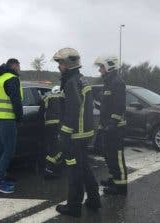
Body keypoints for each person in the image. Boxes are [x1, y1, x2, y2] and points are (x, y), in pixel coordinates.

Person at [52, 48, 101, 217]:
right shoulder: (81, 79)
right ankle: (94, 199)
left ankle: (73, 207)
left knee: (73, 171)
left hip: (75, 135)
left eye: (61, 63)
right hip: (84, 133)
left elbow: (72, 109)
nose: (59, 67)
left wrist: (64, 134)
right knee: (84, 167)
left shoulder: (71, 81)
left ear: (69, 63)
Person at [94, 56, 128, 195]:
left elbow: (119, 106)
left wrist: (113, 122)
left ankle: (121, 187)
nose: (99, 69)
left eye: (101, 67)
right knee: (108, 155)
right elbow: (107, 105)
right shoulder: (108, 82)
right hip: (107, 125)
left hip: (116, 127)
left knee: (117, 156)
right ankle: (114, 179)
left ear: (109, 67)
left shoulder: (117, 82)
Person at [0, 59, 23, 194]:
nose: (20, 68)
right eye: (19, 66)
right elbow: (16, 100)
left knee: (0, 150)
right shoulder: (12, 78)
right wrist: (19, 118)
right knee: (9, 151)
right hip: (7, 119)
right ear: (14, 66)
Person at [43, 86, 64, 178]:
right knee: (59, 147)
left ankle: (49, 166)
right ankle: (51, 167)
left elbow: (42, 110)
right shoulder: (63, 98)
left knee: (51, 145)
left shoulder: (47, 98)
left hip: (48, 125)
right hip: (59, 125)